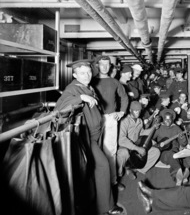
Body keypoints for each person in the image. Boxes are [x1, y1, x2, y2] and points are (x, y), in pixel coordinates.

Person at [55, 59, 124, 215]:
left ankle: (94, 203)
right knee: (103, 165)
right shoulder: (73, 88)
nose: (86, 75)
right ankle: (107, 207)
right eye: (82, 73)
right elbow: (60, 106)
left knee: (92, 169)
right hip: (86, 137)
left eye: (88, 72)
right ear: (74, 75)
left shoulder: (89, 87)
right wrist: (81, 98)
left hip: (96, 134)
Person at [91, 56, 128, 191]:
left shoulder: (114, 82)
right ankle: (96, 183)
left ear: (110, 66)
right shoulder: (91, 81)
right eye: (102, 64)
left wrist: (121, 112)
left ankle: (113, 181)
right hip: (95, 119)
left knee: (111, 151)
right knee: (94, 150)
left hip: (111, 119)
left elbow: (124, 97)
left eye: (107, 65)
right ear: (97, 66)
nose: (105, 67)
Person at [117, 101, 161, 181]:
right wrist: (137, 148)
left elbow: (142, 132)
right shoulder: (124, 121)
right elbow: (121, 140)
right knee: (123, 153)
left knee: (156, 152)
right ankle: (117, 178)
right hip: (125, 146)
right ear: (130, 110)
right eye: (135, 110)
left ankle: (136, 169)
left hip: (136, 145)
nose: (138, 113)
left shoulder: (139, 121)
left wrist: (153, 127)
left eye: (139, 111)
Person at [152, 109, 189, 186]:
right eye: (166, 119)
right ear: (163, 119)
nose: (167, 121)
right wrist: (155, 145)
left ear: (173, 119)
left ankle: (178, 178)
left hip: (175, 150)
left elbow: (184, 143)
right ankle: (180, 174)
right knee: (172, 156)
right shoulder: (159, 128)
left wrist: (182, 138)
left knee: (175, 157)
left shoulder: (176, 128)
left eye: (170, 119)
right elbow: (151, 139)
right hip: (163, 152)